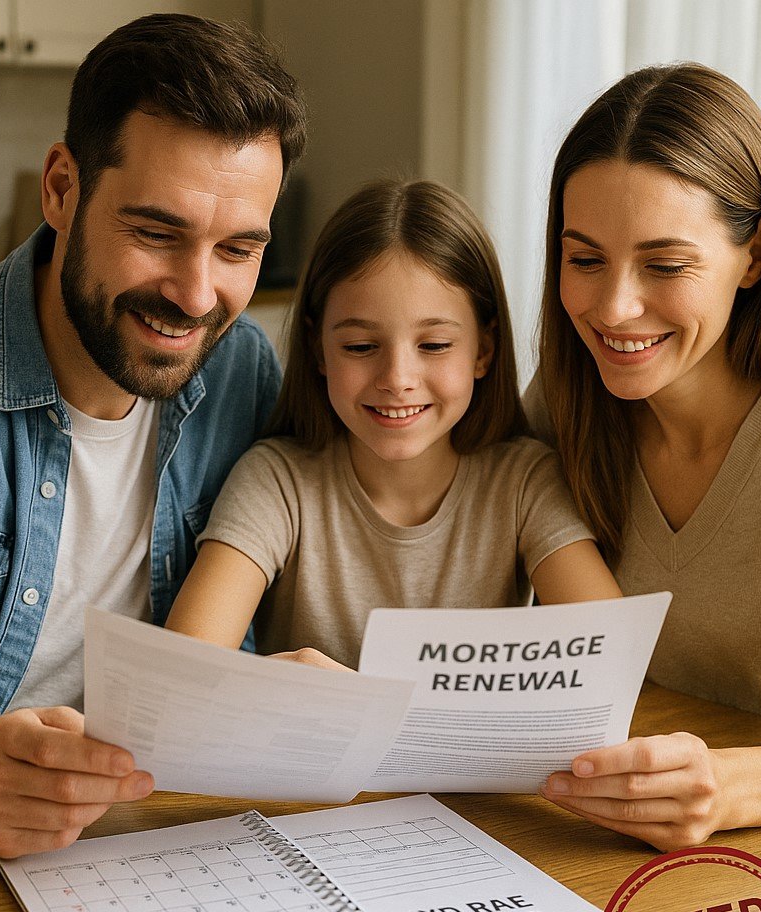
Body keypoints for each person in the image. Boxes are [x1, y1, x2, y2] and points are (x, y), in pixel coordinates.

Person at [0, 14, 306, 858]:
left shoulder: (242, 373)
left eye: (238, 249)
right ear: (62, 189)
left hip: (148, 851)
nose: (196, 294)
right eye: (156, 233)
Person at [530, 62, 761, 850]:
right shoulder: (562, 402)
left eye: (665, 265)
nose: (613, 308)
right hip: (621, 834)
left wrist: (722, 786)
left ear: (756, 254)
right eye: (584, 259)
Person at [165, 180, 621, 667]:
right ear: (319, 349)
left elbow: (613, 657)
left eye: (434, 346)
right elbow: (185, 669)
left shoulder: (525, 482)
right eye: (361, 348)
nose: (397, 380)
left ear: (483, 351)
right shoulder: (277, 482)